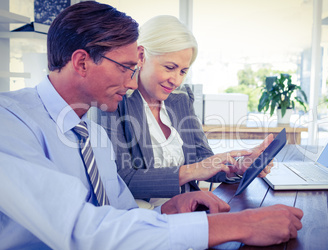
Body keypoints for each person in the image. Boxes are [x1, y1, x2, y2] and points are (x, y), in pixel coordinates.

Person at [0, 2, 303, 250]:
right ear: (82, 62)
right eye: (127, 68)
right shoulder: (4, 121)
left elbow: (120, 213)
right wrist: (238, 224)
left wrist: (167, 209)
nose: (131, 84)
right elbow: (82, 233)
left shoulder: (93, 135)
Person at [95, 15, 274, 205]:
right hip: (142, 216)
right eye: (170, 67)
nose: (176, 80)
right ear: (141, 56)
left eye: (183, 71)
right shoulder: (115, 100)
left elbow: (203, 158)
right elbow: (123, 179)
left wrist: (238, 165)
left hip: (188, 210)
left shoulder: (180, 98)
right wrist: (193, 170)